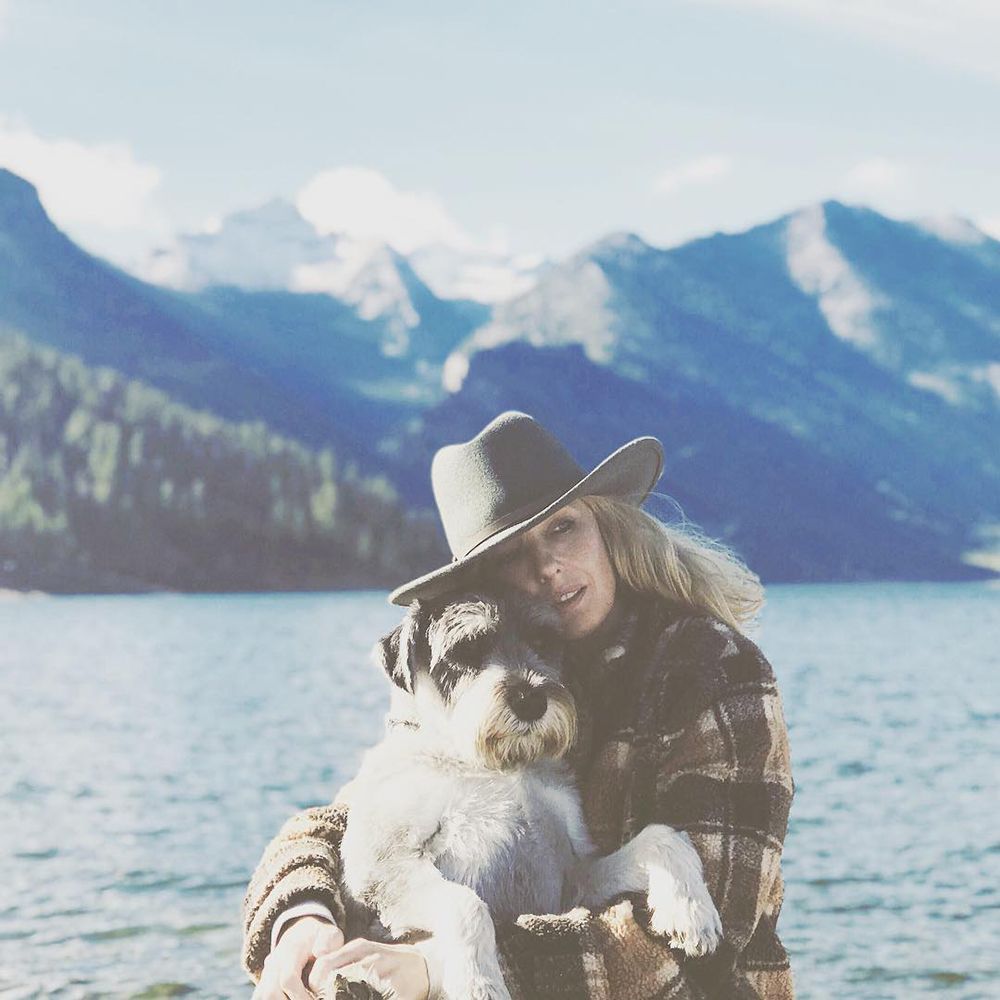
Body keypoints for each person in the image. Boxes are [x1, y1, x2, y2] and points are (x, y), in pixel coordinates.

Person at [242, 411, 795, 1000]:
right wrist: (301, 915)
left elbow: (713, 932)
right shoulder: (464, 686)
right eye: (512, 553)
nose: (547, 567)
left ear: (607, 526)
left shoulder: (714, 669)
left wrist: (440, 968)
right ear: (486, 582)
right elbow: (347, 825)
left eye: (562, 528)